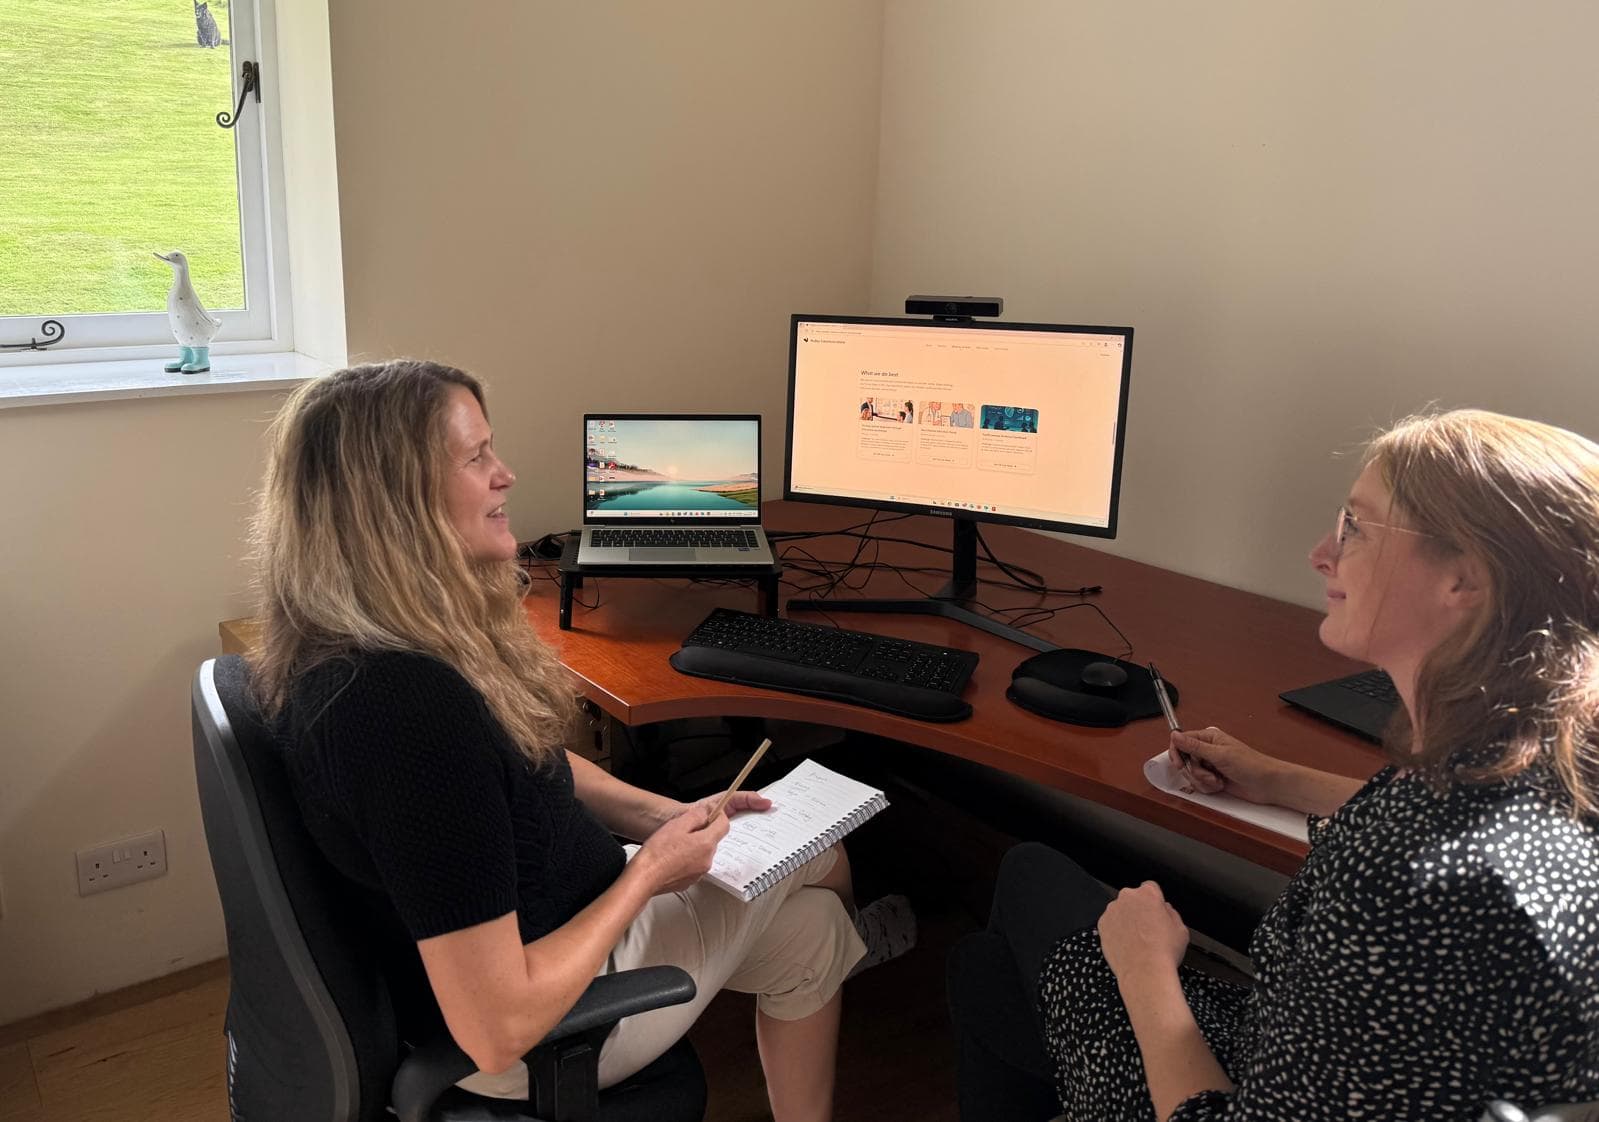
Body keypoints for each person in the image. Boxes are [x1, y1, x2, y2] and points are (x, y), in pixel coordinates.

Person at [250, 360, 910, 1122]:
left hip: (554, 914)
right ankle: (864, 941)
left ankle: (842, 951)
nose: (506, 475)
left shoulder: (352, 639)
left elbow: (517, 760)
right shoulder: (404, 711)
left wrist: (658, 816)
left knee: (809, 934)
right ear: (393, 502)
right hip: (551, 1021)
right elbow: (497, 1029)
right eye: (475, 457)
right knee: (823, 856)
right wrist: (649, 876)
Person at [948, 408, 1599, 1121]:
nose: (1322, 553)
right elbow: (1428, 818)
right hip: (1336, 1070)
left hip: (1235, 1095)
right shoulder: (1545, 755)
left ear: (1465, 580)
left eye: (1355, 527)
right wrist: (1274, 776)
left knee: (1026, 880)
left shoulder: (1405, 889)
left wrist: (1145, 970)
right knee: (985, 974)